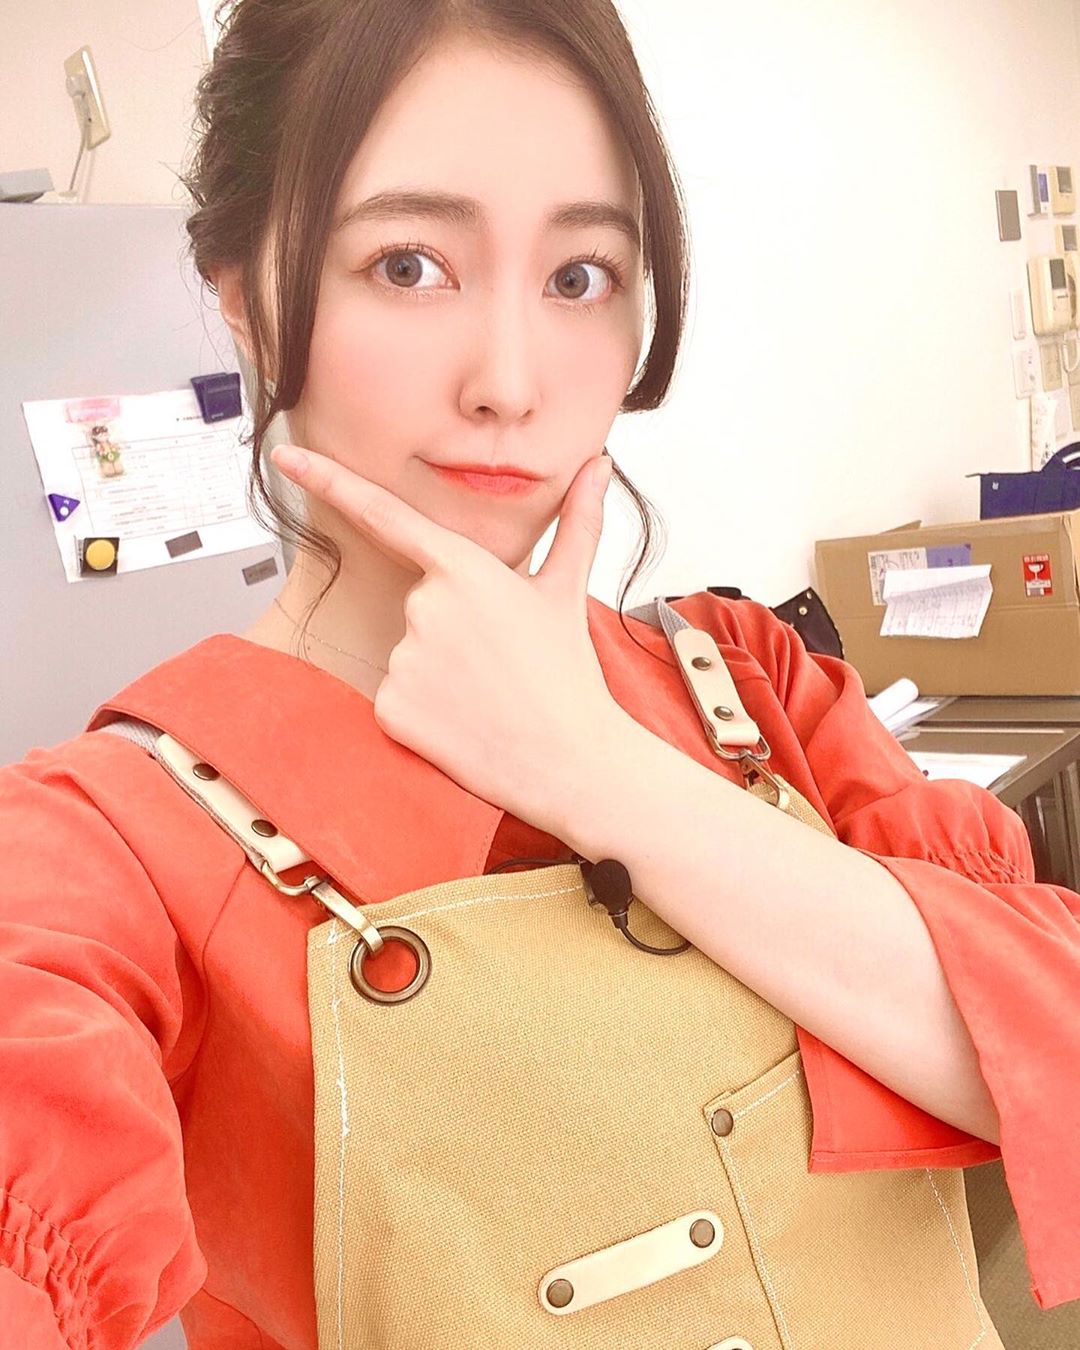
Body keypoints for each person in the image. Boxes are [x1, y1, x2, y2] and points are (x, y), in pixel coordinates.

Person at [2, 2, 1078, 1347]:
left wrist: (598, 770)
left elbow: (1051, 1056)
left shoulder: (752, 686)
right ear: (243, 291)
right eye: (407, 264)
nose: (508, 382)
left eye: (579, 276)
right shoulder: (107, 844)